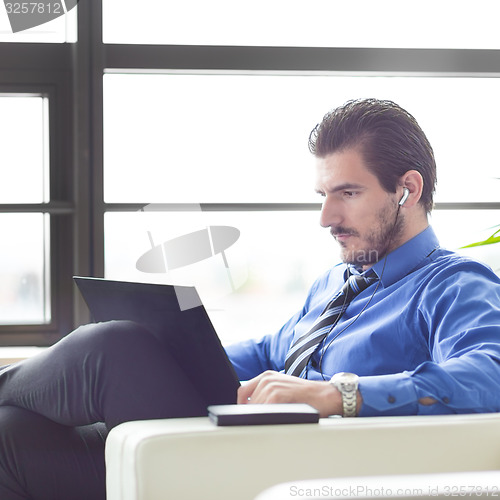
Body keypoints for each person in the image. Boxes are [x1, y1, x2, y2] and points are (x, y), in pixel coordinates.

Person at [1, 98, 500, 499]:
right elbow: (268, 353)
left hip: (286, 465)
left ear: (407, 190)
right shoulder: (335, 282)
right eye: (322, 196)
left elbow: (490, 373)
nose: (326, 217)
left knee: (112, 350)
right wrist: (175, 349)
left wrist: (337, 394)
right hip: (239, 441)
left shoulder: (455, 284)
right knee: (10, 435)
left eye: (346, 193)